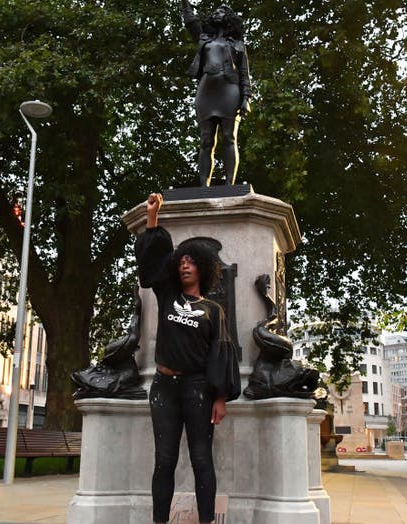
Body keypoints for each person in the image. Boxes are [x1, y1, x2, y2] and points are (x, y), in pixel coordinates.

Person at [135, 192, 239, 524]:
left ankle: (206, 521)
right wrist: (153, 218)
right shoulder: (167, 295)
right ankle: (160, 521)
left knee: (201, 460)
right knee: (163, 461)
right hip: (164, 387)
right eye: (182, 260)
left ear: (204, 268)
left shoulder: (213, 310)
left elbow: (220, 355)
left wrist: (220, 397)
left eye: (192, 261)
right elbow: (151, 265)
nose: (184, 264)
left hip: (197, 391)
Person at [181, 1, 252, 186]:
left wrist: (246, 98)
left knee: (229, 138)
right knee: (206, 140)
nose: (217, 13)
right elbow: (190, 21)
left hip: (230, 91)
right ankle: (204, 186)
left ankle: (230, 184)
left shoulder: (238, 44)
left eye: (222, 11)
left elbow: (244, 74)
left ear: (229, 18)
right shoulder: (204, 38)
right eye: (216, 11)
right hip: (206, 91)